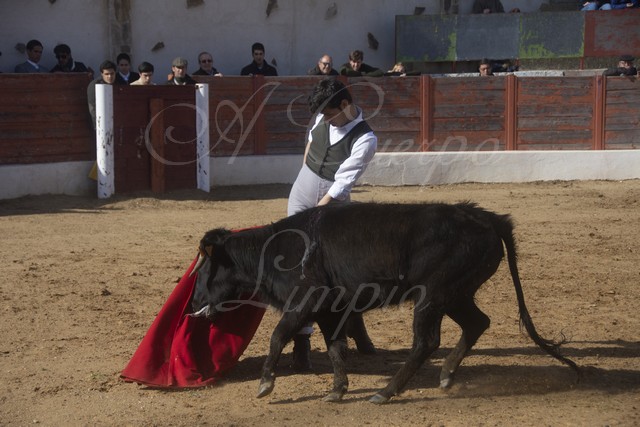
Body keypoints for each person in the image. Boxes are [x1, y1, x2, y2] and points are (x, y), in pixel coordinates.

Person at [287, 78, 378, 370]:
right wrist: (304, 177)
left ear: (345, 105)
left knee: (337, 273)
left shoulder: (365, 139)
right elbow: (311, 144)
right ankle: (302, 341)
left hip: (333, 207)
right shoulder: (323, 116)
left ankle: (355, 326)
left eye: (329, 114)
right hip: (302, 191)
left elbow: (342, 184)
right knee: (298, 267)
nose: (325, 119)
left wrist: (316, 214)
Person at [87, 60, 118, 128]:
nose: (110, 76)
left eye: (112, 73)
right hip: (100, 123)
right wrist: (99, 124)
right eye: (107, 74)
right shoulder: (94, 85)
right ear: (102, 74)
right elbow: (92, 108)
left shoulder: (118, 82)